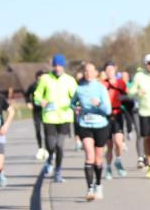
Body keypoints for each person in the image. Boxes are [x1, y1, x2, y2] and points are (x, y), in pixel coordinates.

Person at [33, 54, 77, 183]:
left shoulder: (69, 80)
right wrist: (40, 101)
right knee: (51, 145)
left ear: (63, 66)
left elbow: (76, 96)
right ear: (52, 66)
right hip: (49, 117)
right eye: (55, 65)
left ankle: (58, 171)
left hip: (65, 116)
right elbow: (37, 95)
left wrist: (77, 105)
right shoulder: (45, 79)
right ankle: (50, 158)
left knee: (59, 145)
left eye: (59, 66)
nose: (57, 68)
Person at [72, 62, 112, 201]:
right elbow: (72, 103)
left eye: (91, 71)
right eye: (86, 71)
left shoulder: (101, 88)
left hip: (101, 125)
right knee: (89, 156)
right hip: (85, 125)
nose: (88, 73)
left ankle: (98, 185)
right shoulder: (79, 89)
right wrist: (75, 108)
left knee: (98, 159)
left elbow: (108, 110)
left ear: (96, 73)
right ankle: (89, 189)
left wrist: (99, 104)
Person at [102, 61, 128, 178]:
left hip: (118, 114)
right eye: (107, 70)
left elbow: (127, 97)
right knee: (109, 145)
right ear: (105, 72)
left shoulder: (121, 83)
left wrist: (123, 98)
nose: (109, 72)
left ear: (115, 70)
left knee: (118, 142)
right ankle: (108, 168)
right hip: (105, 116)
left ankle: (118, 160)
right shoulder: (102, 84)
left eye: (111, 70)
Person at [27, 70, 48, 161]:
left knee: (47, 131)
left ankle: (48, 149)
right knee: (38, 130)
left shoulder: (47, 86)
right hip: (36, 111)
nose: (40, 80)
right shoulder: (32, 86)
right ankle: (40, 148)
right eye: (39, 78)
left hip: (46, 111)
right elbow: (26, 95)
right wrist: (28, 102)